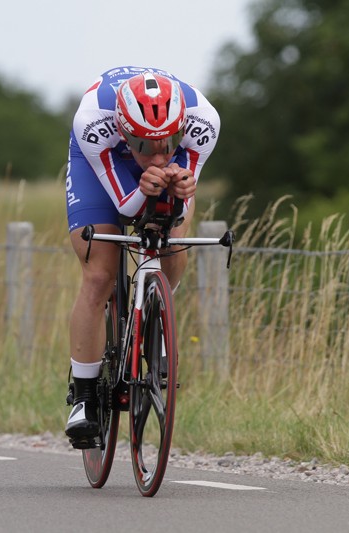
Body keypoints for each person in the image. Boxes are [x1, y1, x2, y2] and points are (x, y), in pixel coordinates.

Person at [63, 66, 220, 446]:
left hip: (152, 144)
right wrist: (144, 188)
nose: (160, 154)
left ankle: (158, 310)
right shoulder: (93, 122)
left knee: (175, 240)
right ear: (126, 132)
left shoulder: (204, 121)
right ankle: (83, 396)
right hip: (103, 165)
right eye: (147, 146)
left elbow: (179, 210)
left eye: (169, 143)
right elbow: (126, 205)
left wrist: (178, 191)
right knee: (98, 275)